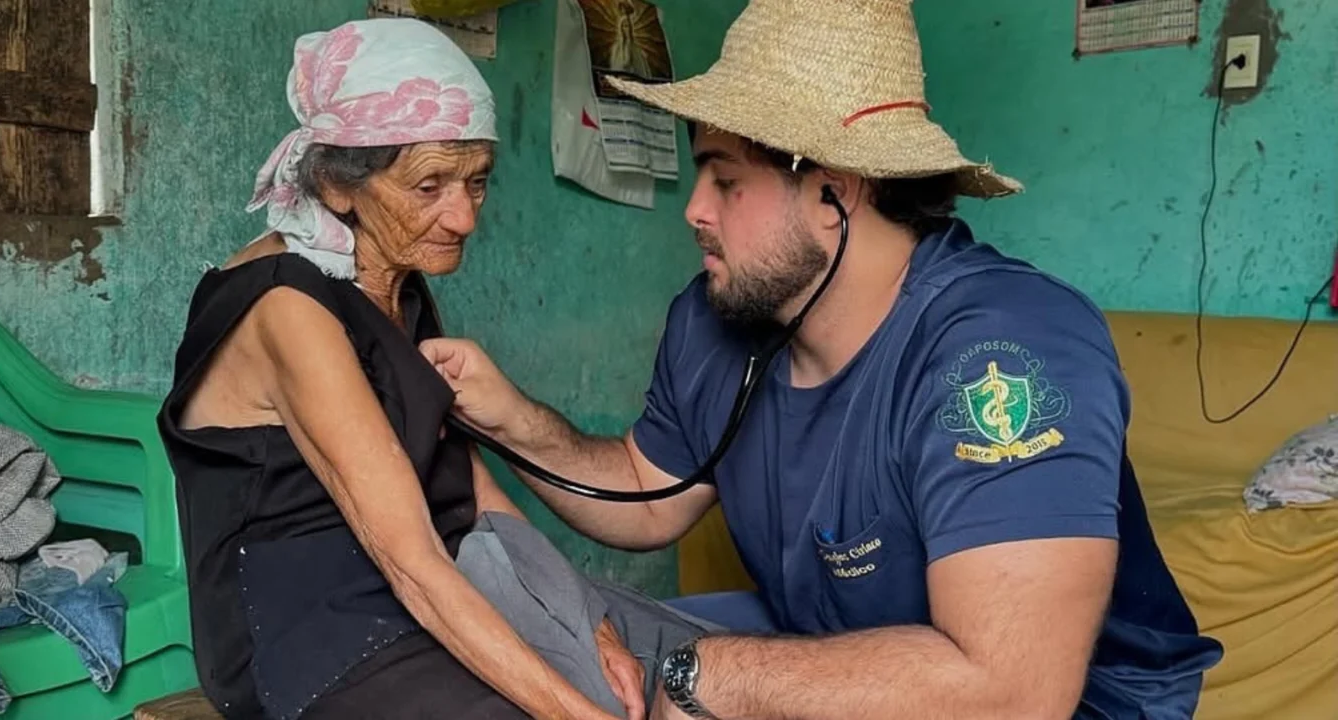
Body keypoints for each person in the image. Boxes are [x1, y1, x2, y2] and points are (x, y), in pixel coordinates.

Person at [419, 0, 1225, 718]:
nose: (695, 212)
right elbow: (648, 491)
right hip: (833, 645)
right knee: (530, 630)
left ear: (834, 193)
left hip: (1071, 702)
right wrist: (509, 419)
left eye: (725, 179)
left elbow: (1011, 693)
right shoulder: (717, 320)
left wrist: (717, 676)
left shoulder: (1004, 348)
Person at [156, 19, 647, 720]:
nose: (464, 217)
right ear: (337, 185)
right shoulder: (285, 306)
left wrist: (588, 627)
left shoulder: (395, 279)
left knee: (644, 679)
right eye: (429, 186)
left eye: (476, 183)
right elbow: (410, 559)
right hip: (311, 630)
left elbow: (474, 488)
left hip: (423, 586)